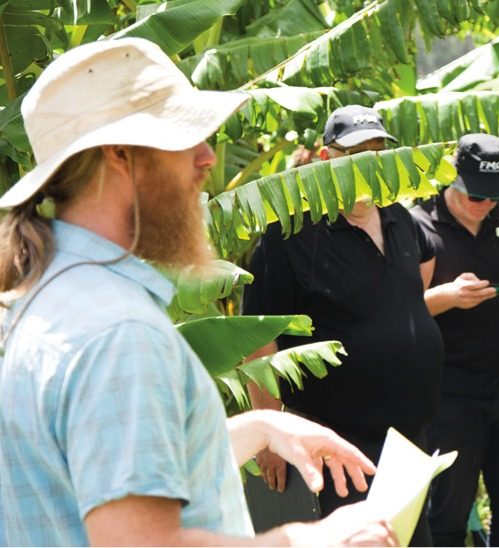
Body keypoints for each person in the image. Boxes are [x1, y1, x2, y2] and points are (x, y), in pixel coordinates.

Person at [0, 38, 396, 547]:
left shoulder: (50, 296)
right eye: (186, 138)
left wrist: (257, 428)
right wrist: (308, 540)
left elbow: (105, 472)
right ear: (121, 156)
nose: (207, 158)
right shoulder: (120, 334)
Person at [243, 105, 444, 544]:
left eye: (375, 156)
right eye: (352, 156)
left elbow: (410, 298)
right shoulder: (291, 236)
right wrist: (268, 435)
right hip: (337, 446)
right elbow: (260, 339)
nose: (365, 168)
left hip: (408, 440)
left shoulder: (401, 220)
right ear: (325, 159)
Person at [411, 133, 499, 546]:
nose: (486, 204)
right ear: (453, 179)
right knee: (448, 509)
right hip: (449, 388)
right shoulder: (419, 224)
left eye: (493, 196)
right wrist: (447, 297)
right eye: (477, 196)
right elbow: (402, 309)